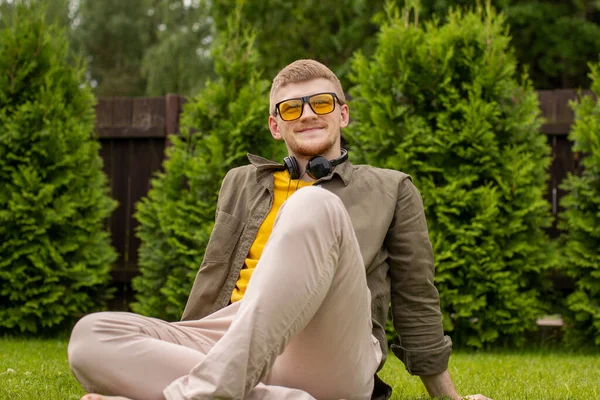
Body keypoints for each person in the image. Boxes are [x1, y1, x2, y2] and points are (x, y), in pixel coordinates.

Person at [68, 59, 490, 400]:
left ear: (342, 114)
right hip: (231, 333)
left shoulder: (391, 187)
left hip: (325, 345)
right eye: (291, 108)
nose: (307, 114)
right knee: (91, 337)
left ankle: (202, 393)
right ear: (276, 126)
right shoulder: (239, 182)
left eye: (321, 103)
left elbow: (416, 300)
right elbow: (212, 277)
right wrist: (182, 342)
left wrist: (449, 398)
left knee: (312, 201)